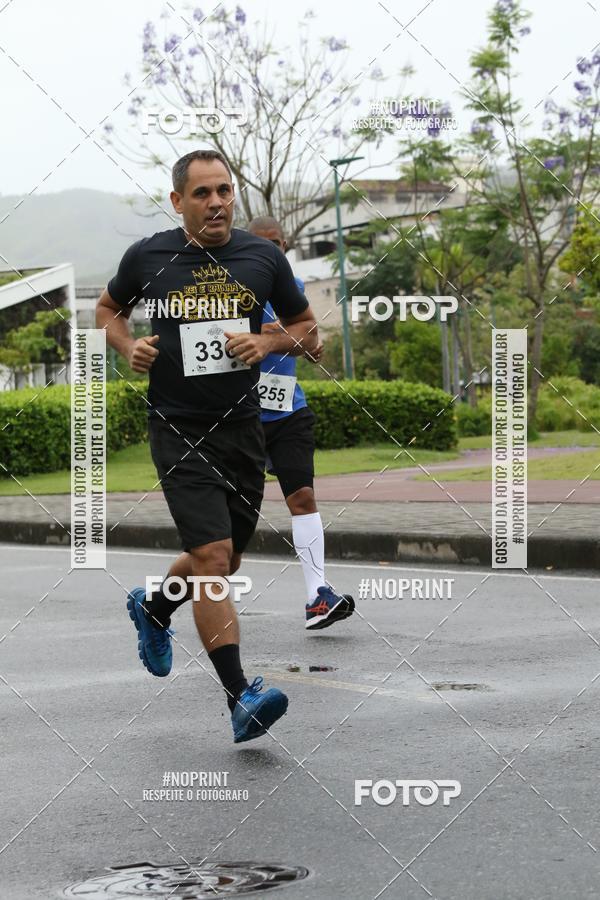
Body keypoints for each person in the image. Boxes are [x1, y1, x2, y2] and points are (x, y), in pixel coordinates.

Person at [96, 149, 317, 743]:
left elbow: (306, 327)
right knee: (215, 559)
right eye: (202, 193)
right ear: (178, 201)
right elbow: (108, 310)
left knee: (224, 561)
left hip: (243, 427)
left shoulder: (262, 255)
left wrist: (267, 343)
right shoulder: (148, 255)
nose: (216, 202)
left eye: (224, 191)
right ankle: (240, 696)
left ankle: (155, 605)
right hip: (176, 426)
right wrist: (127, 348)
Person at [248, 216, 355, 630]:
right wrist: (290, 334)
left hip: (288, 410)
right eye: (264, 244)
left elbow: (308, 335)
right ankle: (192, 596)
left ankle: (317, 597)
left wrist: (311, 346)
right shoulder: (234, 285)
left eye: (279, 243)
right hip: (240, 416)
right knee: (233, 523)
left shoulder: (293, 288)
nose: (274, 251)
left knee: (304, 497)